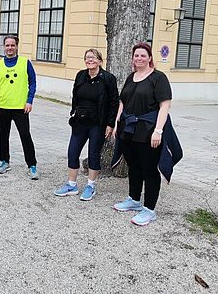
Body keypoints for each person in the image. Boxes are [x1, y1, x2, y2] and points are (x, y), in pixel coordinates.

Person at [112, 42, 182, 226]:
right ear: (133, 58)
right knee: (134, 166)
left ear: (150, 58)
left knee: (150, 169)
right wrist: (117, 122)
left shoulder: (158, 78)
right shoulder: (130, 77)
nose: (139, 58)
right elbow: (122, 102)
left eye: (143, 55)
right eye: (136, 56)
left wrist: (158, 131)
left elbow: (164, 105)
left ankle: (149, 210)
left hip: (149, 130)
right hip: (128, 130)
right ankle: (134, 200)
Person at [54, 48, 119, 201]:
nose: (90, 60)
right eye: (88, 58)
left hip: (98, 123)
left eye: (94, 58)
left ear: (100, 61)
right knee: (72, 151)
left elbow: (114, 102)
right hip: (80, 121)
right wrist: (73, 112)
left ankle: (91, 185)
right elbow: (75, 96)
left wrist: (110, 124)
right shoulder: (81, 75)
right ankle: (71, 184)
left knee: (93, 154)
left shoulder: (108, 78)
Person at [0, 35, 39, 179]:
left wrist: (29, 100)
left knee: (25, 135)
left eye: (12, 45)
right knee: (3, 136)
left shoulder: (25, 63)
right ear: (3, 47)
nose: (10, 48)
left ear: (17, 46)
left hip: (20, 107)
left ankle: (32, 165)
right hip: (3, 106)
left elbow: (33, 82)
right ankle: (4, 161)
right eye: (7, 45)